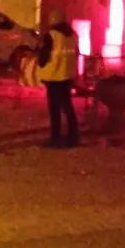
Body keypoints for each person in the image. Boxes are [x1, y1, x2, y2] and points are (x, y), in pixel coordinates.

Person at [38, 8, 79, 148]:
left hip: (54, 76)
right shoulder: (72, 35)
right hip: (67, 76)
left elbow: (43, 57)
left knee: (54, 109)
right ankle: (73, 137)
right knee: (68, 107)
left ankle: (55, 138)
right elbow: (76, 54)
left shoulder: (51, 35)